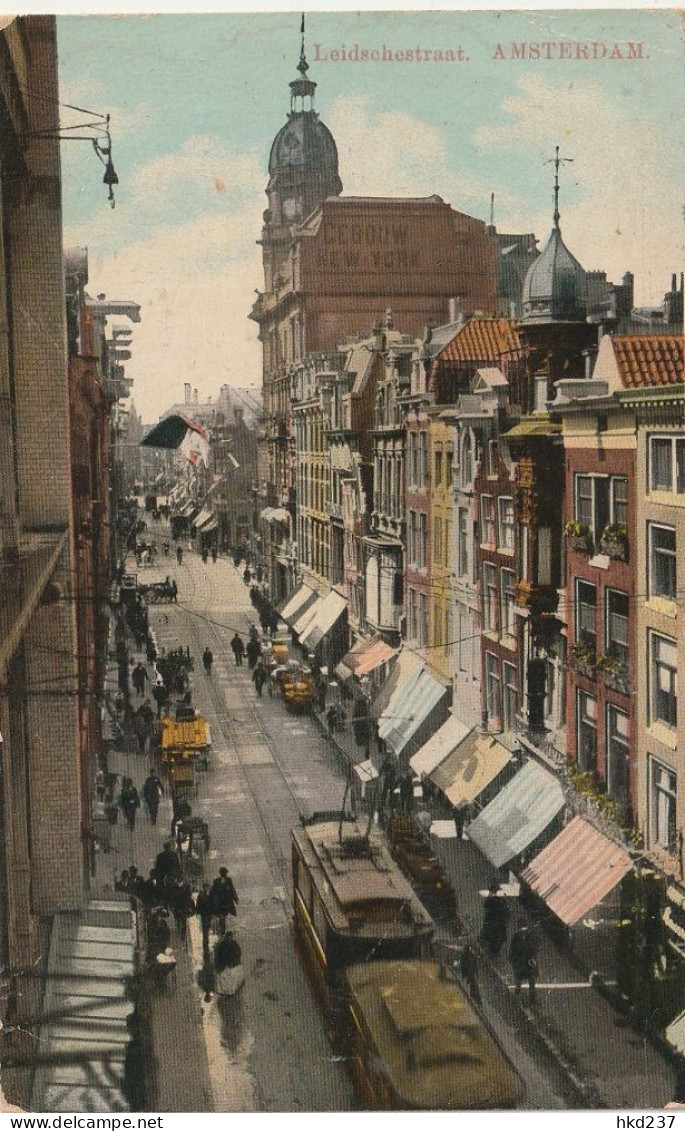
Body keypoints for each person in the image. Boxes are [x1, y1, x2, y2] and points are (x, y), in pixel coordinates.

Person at [509, 920, 539, 1006]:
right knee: (518, 982)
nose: (524, 931)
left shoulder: (531, 936)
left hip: (529, 964)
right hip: (520, 964)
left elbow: (535, 949)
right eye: (522, 929)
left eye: (525, 929)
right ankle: (516, 996)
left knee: (532, 982)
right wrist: (513, 961)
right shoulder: (516, 938)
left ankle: (532, 1000)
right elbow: (512, 950)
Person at [479, 882, 511, 959]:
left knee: (489, 939)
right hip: (499, 926)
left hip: (491, 924)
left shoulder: (490, 901)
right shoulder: (502, 901)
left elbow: (486, 907)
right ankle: (493, 953)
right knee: (496, 941)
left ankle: (489, 953)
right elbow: (507, 914)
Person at [213, 929, 244, 996]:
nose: (229, 939)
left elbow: (238, 954)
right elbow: (219, 956)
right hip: (224, 965)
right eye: (228, 937)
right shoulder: (222, 945)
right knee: (224, 978)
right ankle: (224, 991)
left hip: (231, 964)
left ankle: (230, 991)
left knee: (231, 978)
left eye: (230, 937)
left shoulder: (234, 944)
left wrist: (233, 962)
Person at [210, 867, 239, 935]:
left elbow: (232, 890)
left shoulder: (226, 880)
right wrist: (235, 899)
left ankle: (223, 931)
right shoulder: (218, 881)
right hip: (222, 903)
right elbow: (213, 891)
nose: (225, 874)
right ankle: (222, 931)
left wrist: (235, 898)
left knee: (223, 916)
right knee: (222, 917)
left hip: (224, 903)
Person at [459, 939, 481, 1005]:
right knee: (473, 984)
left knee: (473, 984)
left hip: (470, 972)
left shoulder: (467, 955)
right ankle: (475, 998)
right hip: (471, 972)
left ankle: (475, 997)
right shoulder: (468, 956)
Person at [196, 883, 214, 956]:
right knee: (205, 932)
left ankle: (206, 946)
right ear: (205, 888)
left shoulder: (208, 895)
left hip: (208, 915)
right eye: (207, 887)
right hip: (204, 915)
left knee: (206, 930)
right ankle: (205, 949)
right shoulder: (201, 896)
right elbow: (198, 906)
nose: (208, 889)